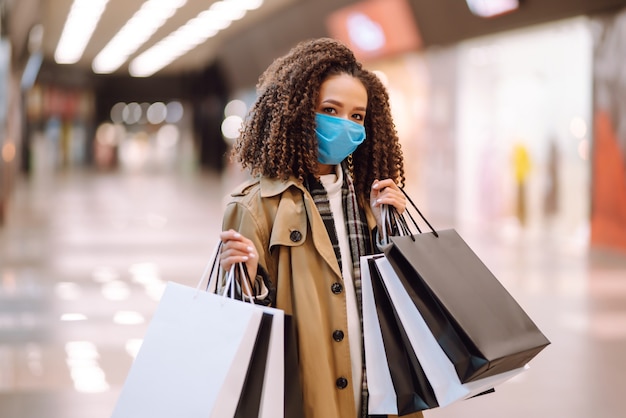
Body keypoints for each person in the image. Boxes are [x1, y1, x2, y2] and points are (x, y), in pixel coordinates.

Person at [219, 38, 422, 418]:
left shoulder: (370, 198)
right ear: (296, 111)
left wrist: (392, 232)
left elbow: (405, 304)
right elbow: (236, 328)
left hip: (382, 393)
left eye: (357, 116)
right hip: (311, 396)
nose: (345, 125)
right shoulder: (255, 206)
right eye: (330, 110)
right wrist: (249, 282)